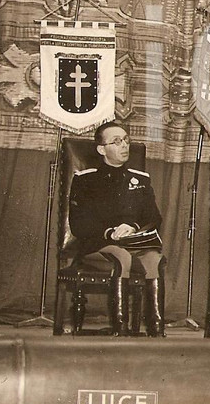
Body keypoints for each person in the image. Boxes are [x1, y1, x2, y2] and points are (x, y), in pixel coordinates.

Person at [68, 122, 166, 337]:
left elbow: (154, 217)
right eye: (116, 141)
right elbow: (79, 223)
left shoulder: (140, 179)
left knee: (154, 259)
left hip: (134, 242)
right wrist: (110, 233)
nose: (124, 146)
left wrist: (132, 226)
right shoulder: (86, 179)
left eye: (126, 140)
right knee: (121, 256)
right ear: (101, 149)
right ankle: (120, 328)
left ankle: (156, 329)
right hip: (98, 245)